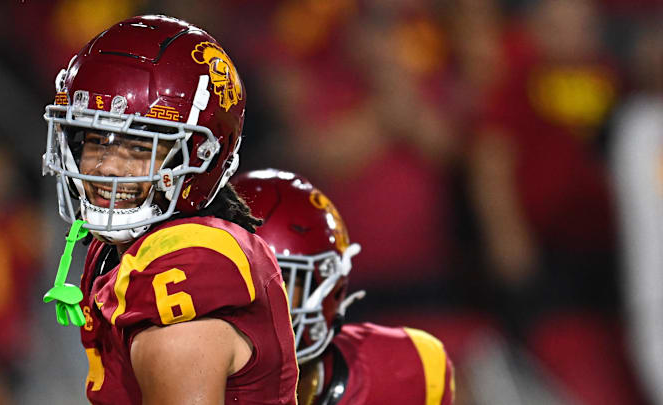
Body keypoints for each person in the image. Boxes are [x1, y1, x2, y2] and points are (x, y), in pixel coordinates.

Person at [41, 15, 298, 404]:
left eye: (140, 147)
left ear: (202, 155)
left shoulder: (181, 276)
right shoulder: (119, 249)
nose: (108, 167)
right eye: (96, 140)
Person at [231, 169, 455, 405]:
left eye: (275, 279)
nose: (249, 298)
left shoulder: (403, 370)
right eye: (230, 277)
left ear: (326, 288)